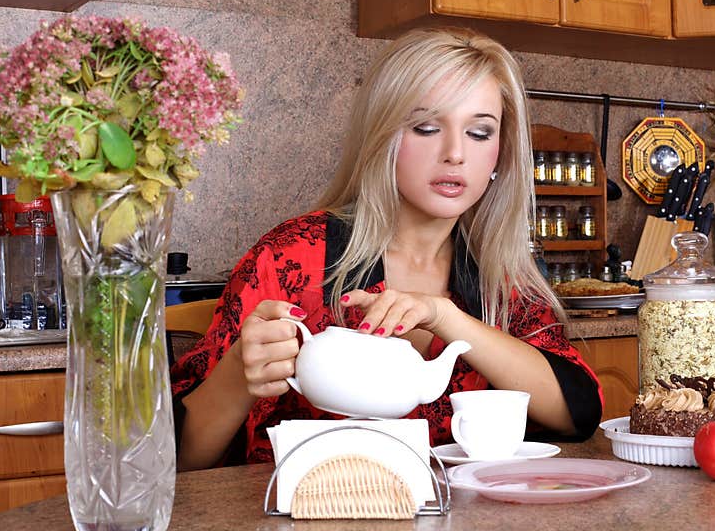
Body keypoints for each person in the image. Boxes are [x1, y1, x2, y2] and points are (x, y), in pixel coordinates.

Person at [171, 27, 604, 471]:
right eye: (426, 127)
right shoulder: (290, 257)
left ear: (501, 153)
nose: (455, 153)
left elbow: (577, 414)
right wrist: (241, 373)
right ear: (381, 135)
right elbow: (181, 465)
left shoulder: (501, 275)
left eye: (479, 133)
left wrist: (445, 316)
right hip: (308, 527)